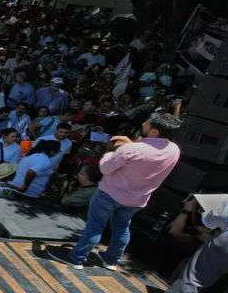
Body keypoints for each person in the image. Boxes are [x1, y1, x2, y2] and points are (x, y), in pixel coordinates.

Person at [48, 112, 182, 270]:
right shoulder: (174, 150)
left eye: (148, 122)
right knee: (122, 228)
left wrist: (112, 152)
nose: (144, 123)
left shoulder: (131, 149)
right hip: (136, 200)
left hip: (109, 195)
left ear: (154, 131)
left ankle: (76, 258)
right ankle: (111, 261)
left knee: (95, 227)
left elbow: (105, 168)